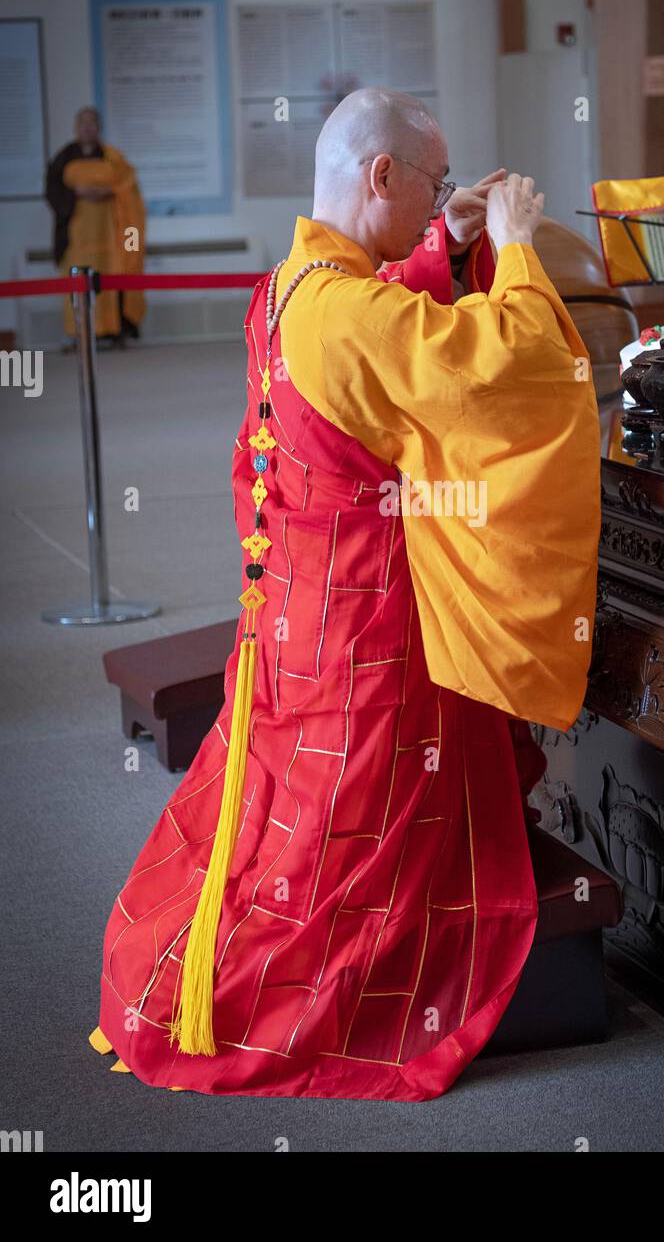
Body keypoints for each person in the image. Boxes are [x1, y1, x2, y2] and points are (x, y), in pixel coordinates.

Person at [88, 88, 600, 1102]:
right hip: (367, 628)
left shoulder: (286, 286)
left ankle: (194, 984)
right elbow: (523, 370)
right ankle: (251, 1006)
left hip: (293, 618)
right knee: (352, 853)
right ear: (379, 176)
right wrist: (516, 244)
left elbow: (371, 327)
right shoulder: (353, 313)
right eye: (433, 184)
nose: (437, 201)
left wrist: (442, 248)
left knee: (279, 822)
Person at [45, 107, 146, 348]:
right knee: (77, 282)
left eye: (92, 123)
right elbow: (52, 192)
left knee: (112, 279)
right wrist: (76, 192)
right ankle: (78, 334)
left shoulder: (112, 157)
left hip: (111, 237)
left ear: (99, 127)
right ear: (75, 127)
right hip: (76, 238)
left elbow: (129, 188)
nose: (87, 127)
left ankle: (114, 331)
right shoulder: (63, 159)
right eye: (83, 123)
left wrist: (109, 191)